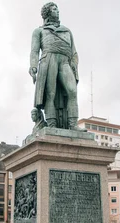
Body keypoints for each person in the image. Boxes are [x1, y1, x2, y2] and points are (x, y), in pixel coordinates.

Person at [29, 2, 82, 130]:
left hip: (65, 61)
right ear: (47, 12)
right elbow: (34, 51)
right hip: (49, 60)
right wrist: (33, 66)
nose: (57, 11)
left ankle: (73, 124)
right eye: (54, 9)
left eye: (57, 9)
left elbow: (74, 51)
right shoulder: (39, 31)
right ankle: (51, 124)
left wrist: (74, 63)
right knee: (50, 94)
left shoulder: (67, 31)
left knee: (72, 91)